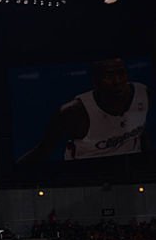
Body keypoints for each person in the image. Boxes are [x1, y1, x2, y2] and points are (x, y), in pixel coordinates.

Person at [19, 58, 150, 163]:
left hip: (130, 172)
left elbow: (141, 135)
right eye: (109, 76)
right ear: (96, 80)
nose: (117, 81)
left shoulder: (143, 93)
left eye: (121, 73)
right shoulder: (73, 112)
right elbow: (43, 151)